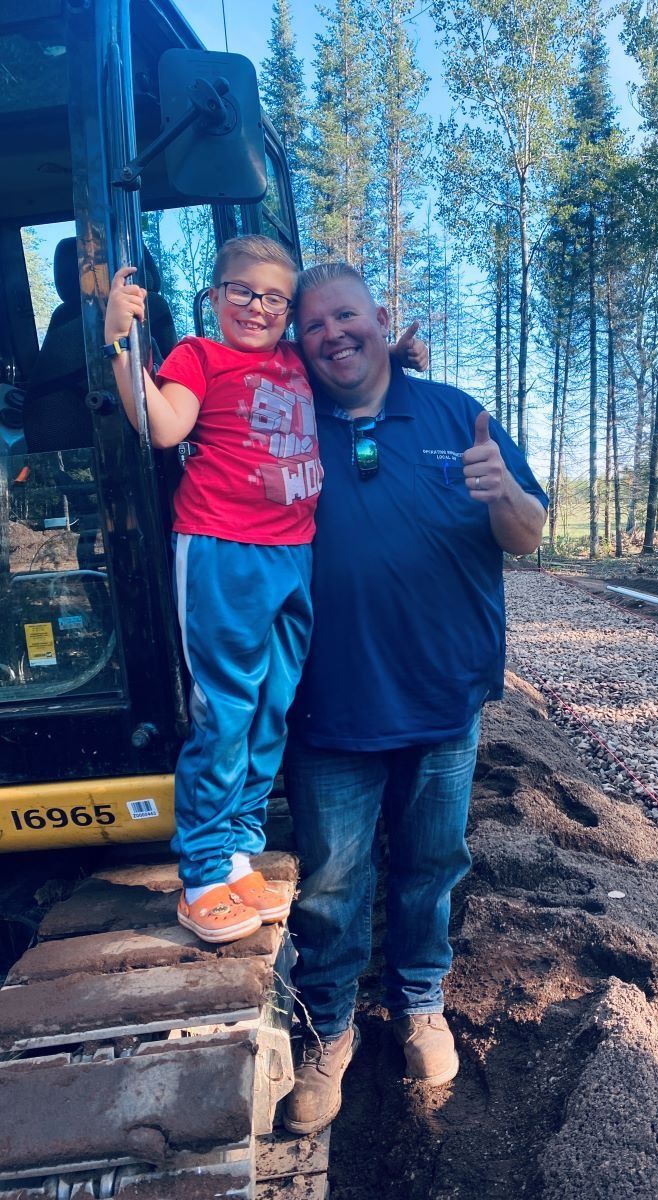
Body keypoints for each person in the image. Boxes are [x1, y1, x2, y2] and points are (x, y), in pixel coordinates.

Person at [281, 261, 547, 1136]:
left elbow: (529, 534)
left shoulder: (449, 411)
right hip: (331, 706)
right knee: (330, 884)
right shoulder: (284, 421)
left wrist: (502, 490)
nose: (332, 335)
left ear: (380, 317)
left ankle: (420, 1004)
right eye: (313, 324)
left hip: (442, 701)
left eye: (346, 316)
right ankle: (329, 1029)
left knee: (432, 866)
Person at [103, 237, 423, 945]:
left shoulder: (293, 361)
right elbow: (162, 426)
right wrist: (122, 345)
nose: (258, 308)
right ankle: (202, 874)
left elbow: (344, 362)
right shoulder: (200, 356)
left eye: (274, 298)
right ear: (215, 297)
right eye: (242, 292)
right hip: (222, 549)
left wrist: (394, 358)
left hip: (293, 553)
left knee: (273, 705)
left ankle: (240, 849)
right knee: (225, 711)